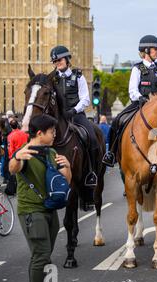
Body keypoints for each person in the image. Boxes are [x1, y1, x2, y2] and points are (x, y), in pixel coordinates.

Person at [9, 114, 71, 282]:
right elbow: (13, 168)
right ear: (39, 133)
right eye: (52, 132)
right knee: (42, 254)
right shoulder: (24, 152)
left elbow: (65, 181)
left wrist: (67, 166)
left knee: (42, 254)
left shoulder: (51, 153)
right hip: (31, 211)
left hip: (50, 209)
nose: (54, 135)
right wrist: (16, 157)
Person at [103, 35, 157, 166]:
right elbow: (132, 91)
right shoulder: (137, 69)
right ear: (147, 51)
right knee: (118, 120)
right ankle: (112, 153)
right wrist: (141, 98)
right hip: (140, 105)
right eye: (155, 49)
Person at [50, 45, 97, 186]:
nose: (58, 62)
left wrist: (74, 110)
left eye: (60, 59)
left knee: (92, 137)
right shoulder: (52, 79)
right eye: (55, 61)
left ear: (67, 59)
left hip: (76, 115)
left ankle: (91, 172)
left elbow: (85, 99)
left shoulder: (78, 76)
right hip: (58, 117)